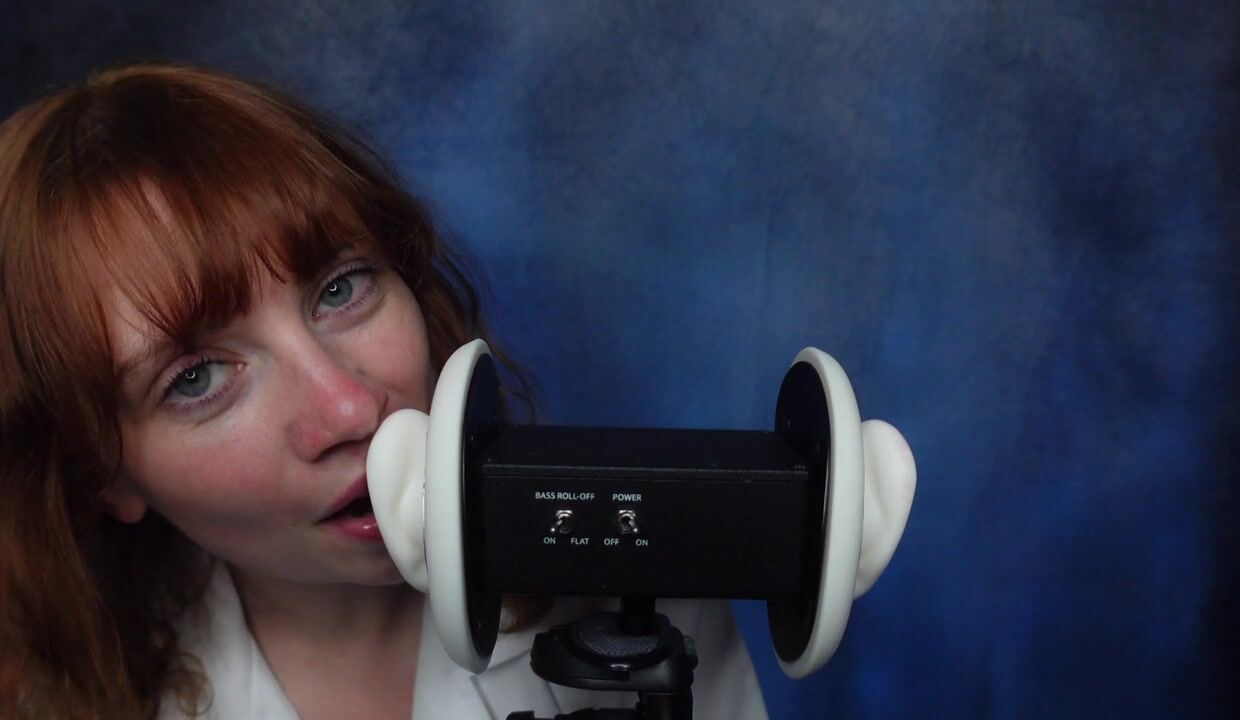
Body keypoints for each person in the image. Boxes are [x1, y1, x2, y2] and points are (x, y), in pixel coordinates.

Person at [0, 63, 768, 719]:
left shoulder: (649, 603)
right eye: (195, 379)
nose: (349, 408)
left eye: (341, 289)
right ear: (101, 472)